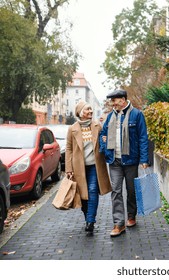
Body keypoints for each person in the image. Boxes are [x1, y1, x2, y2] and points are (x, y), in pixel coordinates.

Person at [99, 89, 149, 237]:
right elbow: (103, 133)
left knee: (131, 190)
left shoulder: (137, 114)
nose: (113, 104)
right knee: (116, 191)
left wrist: (144, 159)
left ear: (122, 99)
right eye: (112, 102)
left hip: (131, 160)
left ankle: (131, 216)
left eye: (114, 101)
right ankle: (118, 223)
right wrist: (104, 145)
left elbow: (142, 138)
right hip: (114, 160)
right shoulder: (110, 117)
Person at [65, 101, 112, 236]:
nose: (91, 111)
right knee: (83, 195)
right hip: (79, 167)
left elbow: (104, 140)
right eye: (87, 109)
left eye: (91, 109)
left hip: (94, 166)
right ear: (80, 113)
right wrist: (69, 168)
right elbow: (68, 149)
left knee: (92, 190)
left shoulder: (97, 126)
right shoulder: (72, 129)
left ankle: (90, 221)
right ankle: (87, 217)